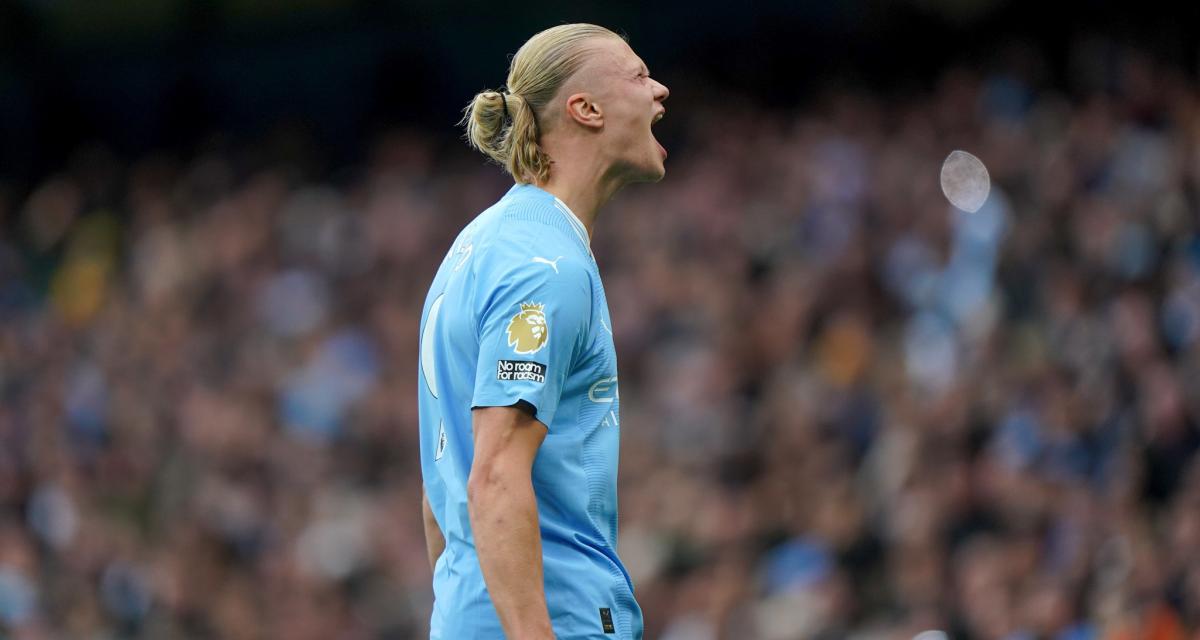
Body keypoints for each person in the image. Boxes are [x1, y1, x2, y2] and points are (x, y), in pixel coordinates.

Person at [417, 23, 669, 640]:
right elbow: (495, 474)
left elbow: (440, 495)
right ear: (586, 109)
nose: (659, 90)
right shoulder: (544, 267)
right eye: (639, 76)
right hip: (558, 618)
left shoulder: (477, 246)